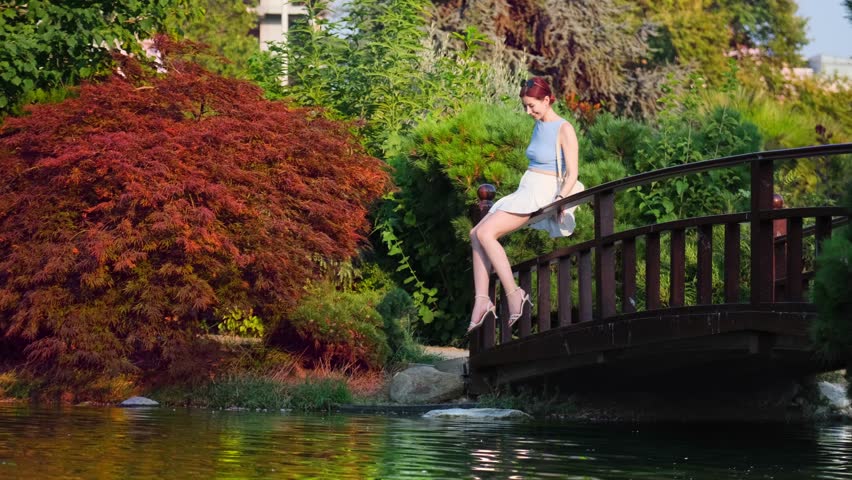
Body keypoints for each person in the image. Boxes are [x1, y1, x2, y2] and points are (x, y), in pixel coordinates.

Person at [468, 77, 582, 333]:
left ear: (546, 100)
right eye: (525, 106)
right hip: (526, 186)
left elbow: (572, 173)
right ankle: (482, 300)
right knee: (475, 233)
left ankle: (514, 294)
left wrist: (561, 198)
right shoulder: (538, 125)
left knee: (486, 233)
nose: (528, 111)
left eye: (532, 105)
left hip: (543, 191)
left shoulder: (564, 128)